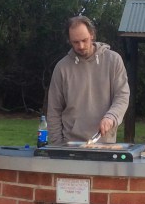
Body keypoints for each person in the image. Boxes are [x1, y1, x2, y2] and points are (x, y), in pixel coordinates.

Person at [46, 15, 130, 145]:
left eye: (84, 40)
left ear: (92, 34)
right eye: (75, 42)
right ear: (69, 40)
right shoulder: (61, 68)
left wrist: (111, 117)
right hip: (70, 145)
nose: (81, 46)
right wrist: (57, 145)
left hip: (105, 143)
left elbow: (122, 96)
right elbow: (54, 110)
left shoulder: (113, 60)